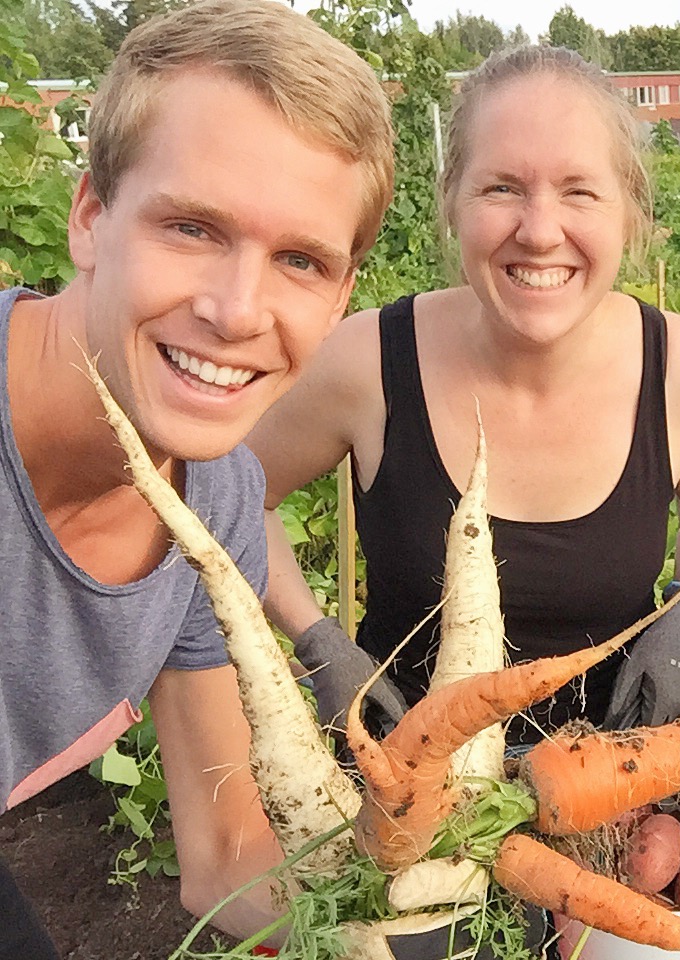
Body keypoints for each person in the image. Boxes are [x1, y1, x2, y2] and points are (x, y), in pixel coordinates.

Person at [0, 0, 395, 952]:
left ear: (341, 295)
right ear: (91, 218)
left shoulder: (212, 503)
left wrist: (403, 913)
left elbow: (226, 851)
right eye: (191, 228)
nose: (237, 310)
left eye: (300, 260)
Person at [248, 45, 680, 751]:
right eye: (502, 188)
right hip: (399, 788)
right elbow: (236, 493)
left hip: (616, 779)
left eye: (579, 191)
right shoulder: (369, 362)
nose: (539, 232)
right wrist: (317, 639)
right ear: (453, 200)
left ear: (630, 211)